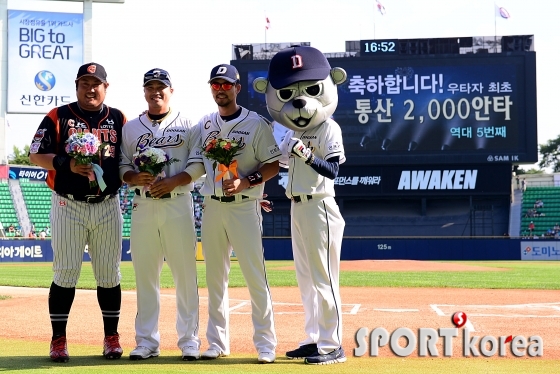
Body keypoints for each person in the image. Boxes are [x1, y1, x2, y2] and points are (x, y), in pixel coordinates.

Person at [253, 45, 348, 365]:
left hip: (320, 204)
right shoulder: (292, 130)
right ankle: (314, 338)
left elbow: (333, 169)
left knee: (324, 278)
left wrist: (304, 153)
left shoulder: (327, 127)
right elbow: (280, 164)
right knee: (306, 278)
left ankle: (333, 344)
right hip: (299, 205)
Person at [28, 62, 126, 363]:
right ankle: (58, 340)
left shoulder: (120, 119)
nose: (90, 88)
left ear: (105, 87)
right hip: (67, 203)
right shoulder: (59, 116)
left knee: (109, 275)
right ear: (76, 86)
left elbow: (129, 158)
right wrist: (65, 164)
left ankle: (111, 337)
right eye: (85, 82)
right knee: (66, 272)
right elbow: (35, 154)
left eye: (96, 83)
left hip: (107, 204)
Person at [188, 64, 280, 363]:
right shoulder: (205, 124)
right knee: (215, 279)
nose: (220, 89)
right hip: (213, 206)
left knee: (255, 276)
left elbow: (272, 164)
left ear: (237, 88)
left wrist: (246, 182)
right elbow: (198, 165)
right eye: (215, 84)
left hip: (244, 207)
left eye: (226, 85)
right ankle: (216, 342)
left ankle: (266, 344)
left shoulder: (257, 123)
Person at [120, 68, 204, 361]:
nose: (155, 91)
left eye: (161, 87)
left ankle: (189, 340)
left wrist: (175, 180)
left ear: (171, 91)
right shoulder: (130, 128)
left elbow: (198, 163)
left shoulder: (189, 123)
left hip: (177, 201)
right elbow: (121, 166)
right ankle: (146, 341)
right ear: (144, 91)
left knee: (185, 274)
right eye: (150, 87)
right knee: (145, 276)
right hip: (143, 204)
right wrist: (133, 176)